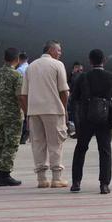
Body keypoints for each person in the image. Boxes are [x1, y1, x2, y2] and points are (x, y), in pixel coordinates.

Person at [70, 48, 112, 194]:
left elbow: (74, 97)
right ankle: (104, 184)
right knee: (105, 150)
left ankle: (76, 182)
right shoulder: (110, 76)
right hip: (104, 117)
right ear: (104, 61)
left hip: (86, 116)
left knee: (81, 148)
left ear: (90, 61)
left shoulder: (83, 77)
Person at [21, 40, 71, 188]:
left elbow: (23, 95)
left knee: (38, 144)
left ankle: (41, 178)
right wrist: (63, 109)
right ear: (51, 50)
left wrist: (28, 112)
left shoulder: (31, 67)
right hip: (53, 110)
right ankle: (56, 178)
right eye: (59, 50)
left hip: (34, 111)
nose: (60, 53)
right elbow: (64, 92)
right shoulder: (57, 65)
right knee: (55, 144)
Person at [0, 47, 26, 187]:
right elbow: (20, 96)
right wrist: (26, 112)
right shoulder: (16, 75)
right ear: (17, 60)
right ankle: (5, 174)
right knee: (11, 143)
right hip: (13, 116)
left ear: (4, 59)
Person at [67, 61, 84, 138]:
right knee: (79, 116)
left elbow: (71, 86)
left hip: (76, 99)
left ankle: (79, 132)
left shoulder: (75, 76)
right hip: (80, 99)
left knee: (76, 116)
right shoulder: (79, 75)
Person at [16, 52, 30, 143]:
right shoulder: (31, 68)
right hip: (30, 93)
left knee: (23, 115)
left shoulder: (19, 70)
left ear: (19, 60)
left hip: (22, 93)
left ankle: (24, 135)